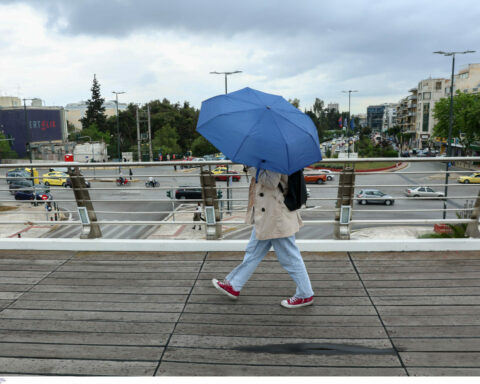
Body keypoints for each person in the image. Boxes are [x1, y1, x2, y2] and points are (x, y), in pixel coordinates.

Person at [212, 167, 314, 308]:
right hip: (269, 214)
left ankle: (305, 294)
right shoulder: (269, 154)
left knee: (289, 256)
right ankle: (234, 285)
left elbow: (271, 181)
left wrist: (251, 167)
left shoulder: (274, 155)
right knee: (253, 251)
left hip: (275, 215)